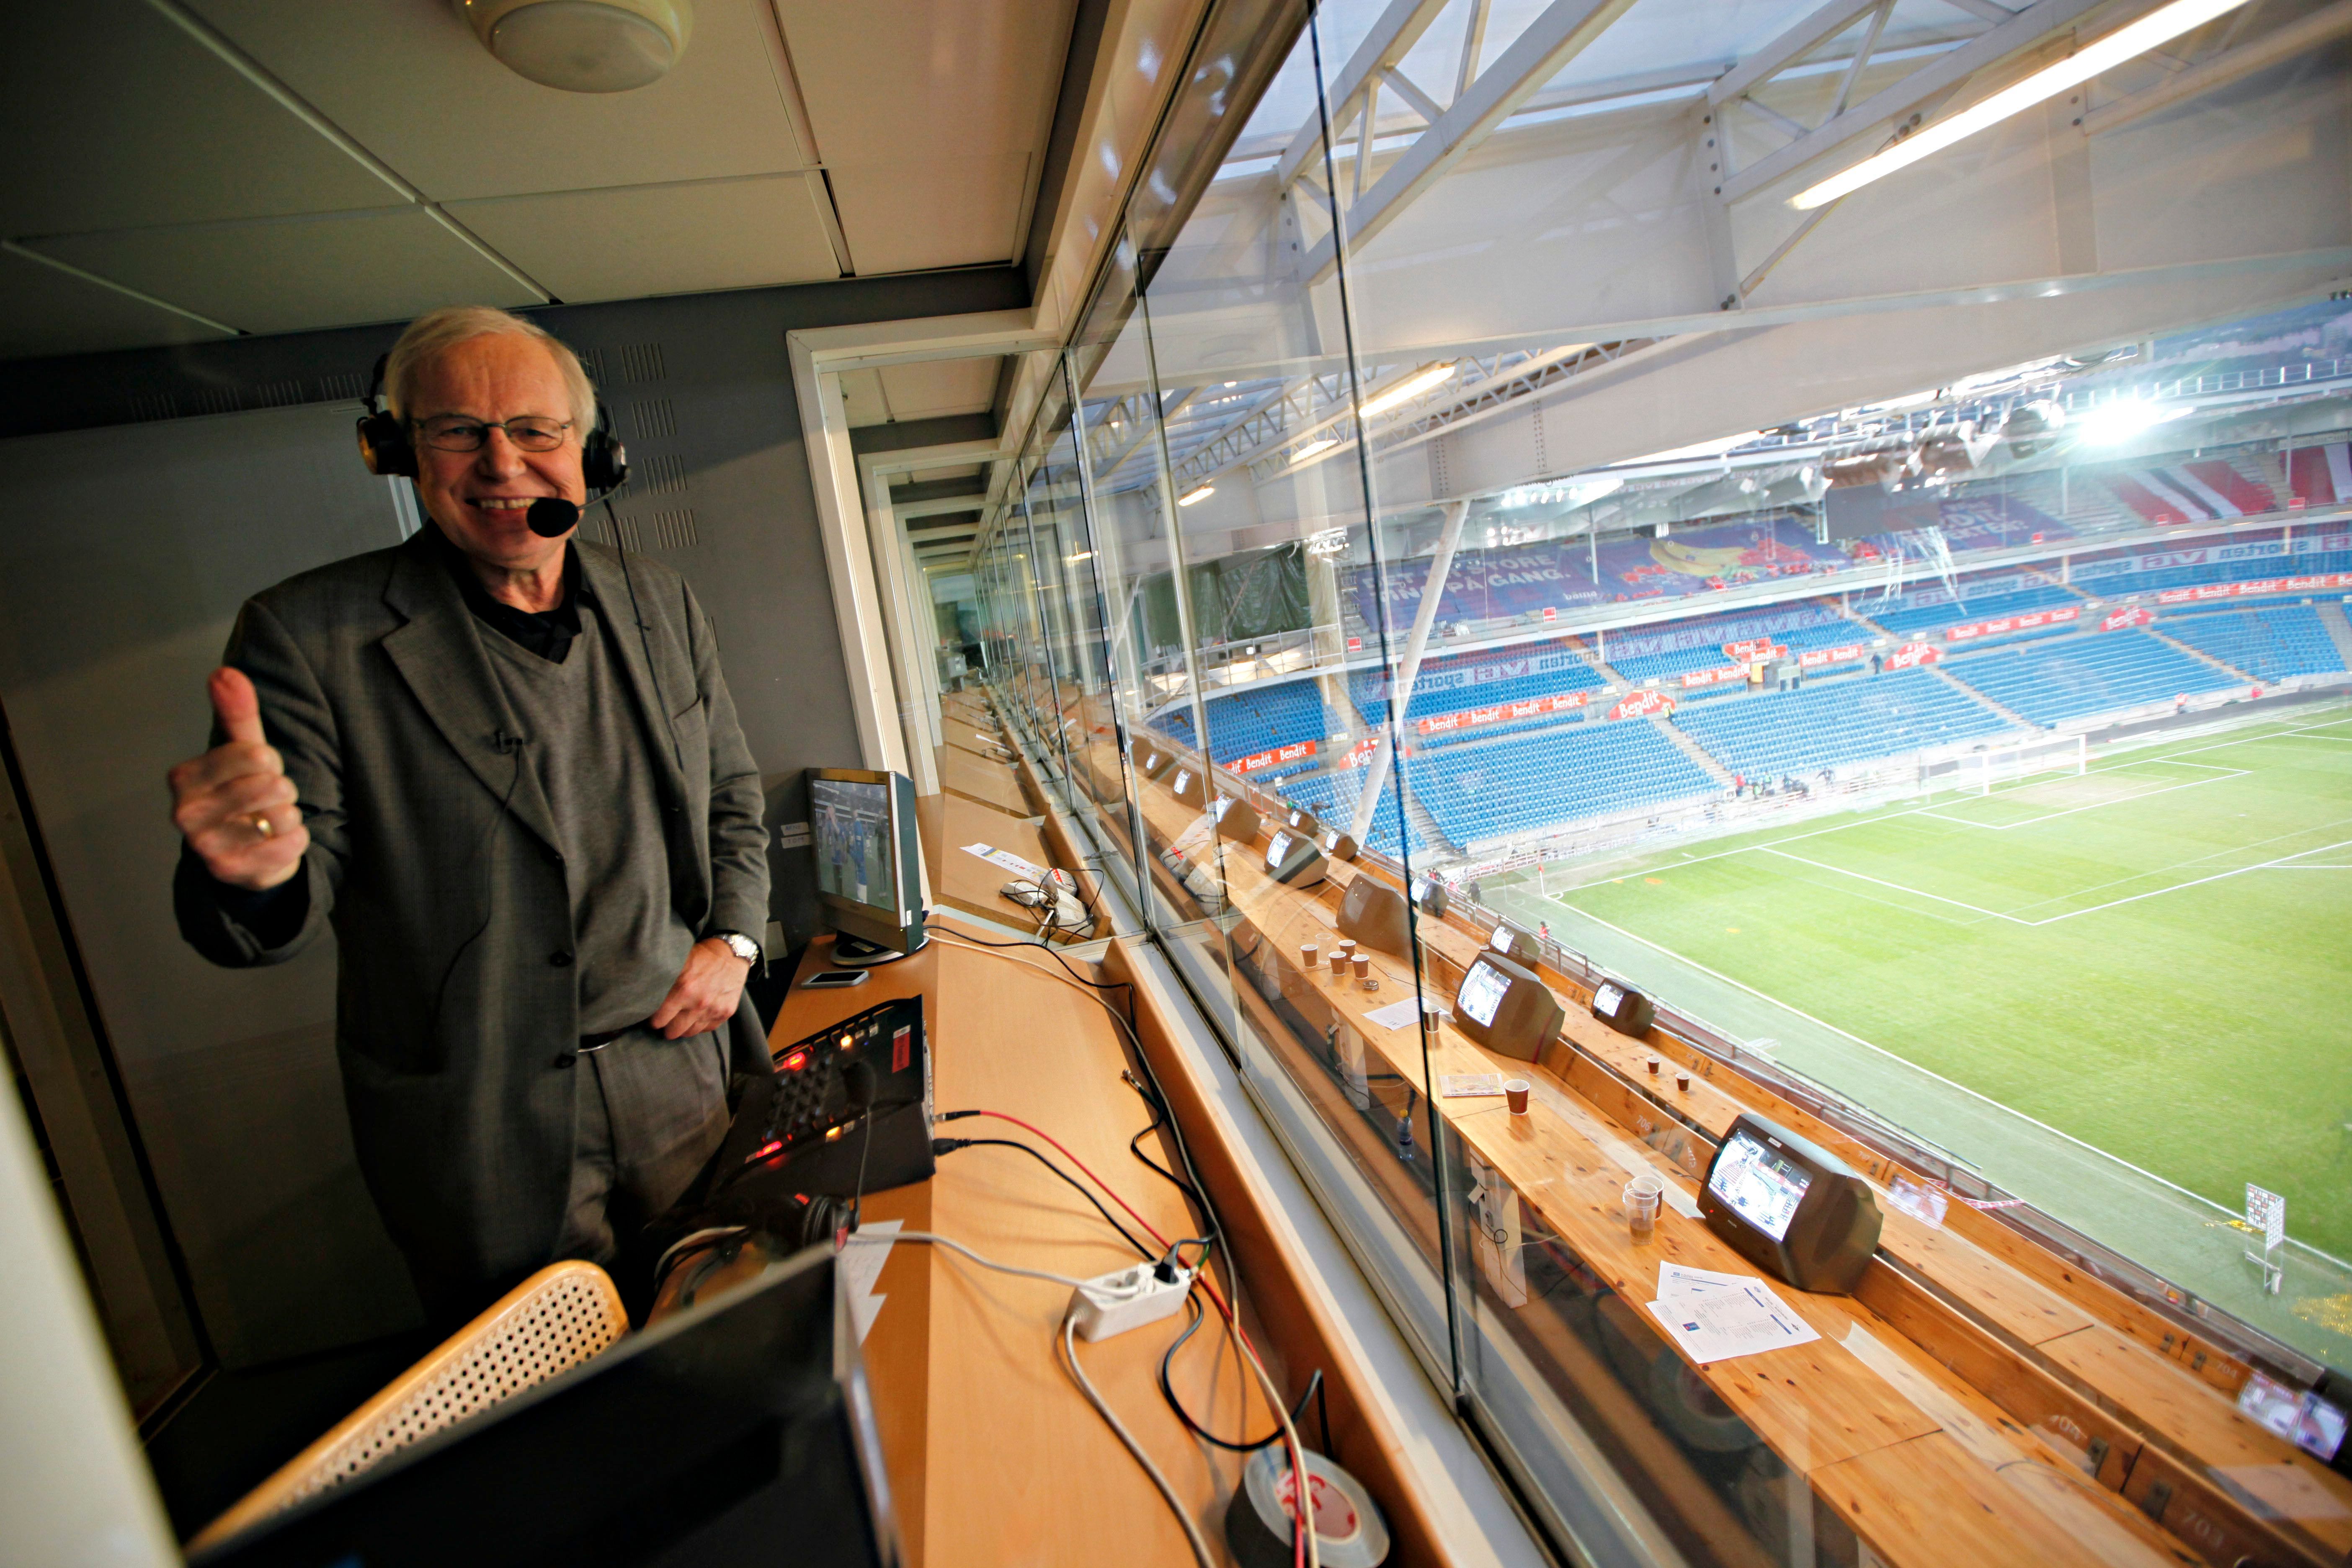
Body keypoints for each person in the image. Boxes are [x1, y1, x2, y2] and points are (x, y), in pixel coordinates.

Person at [168, 307, 771, 1326]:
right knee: (557, 1396)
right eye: (458, 432)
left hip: (685, 1075)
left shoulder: (659, 603)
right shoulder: (309, 635)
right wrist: (252, 874)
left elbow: (732, 798)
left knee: (735, 1337)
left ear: (591, 452)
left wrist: (738, 943)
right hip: (485, 1129)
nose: (502, 463)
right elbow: (282, 893)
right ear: (398, 451)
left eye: (535, 431)